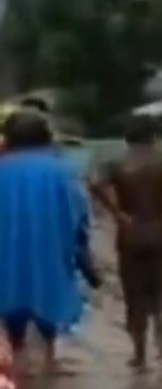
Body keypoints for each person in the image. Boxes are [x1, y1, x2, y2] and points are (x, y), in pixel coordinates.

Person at [0, 108, 96, 374]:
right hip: (50, 241)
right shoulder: (62, 169)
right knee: (50, 290)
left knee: (10, 291)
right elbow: (78, 207)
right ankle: (50, 357)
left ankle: (20, 355)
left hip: (7, 244)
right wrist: (79, 241)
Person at [93, 115, 162, 371]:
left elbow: (94, 184)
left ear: (127, 137)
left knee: (134, 295)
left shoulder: (116, 162)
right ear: (153, 136)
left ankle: (139, 355)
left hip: (130, 234)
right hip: (160, 231)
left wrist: (117, 214)